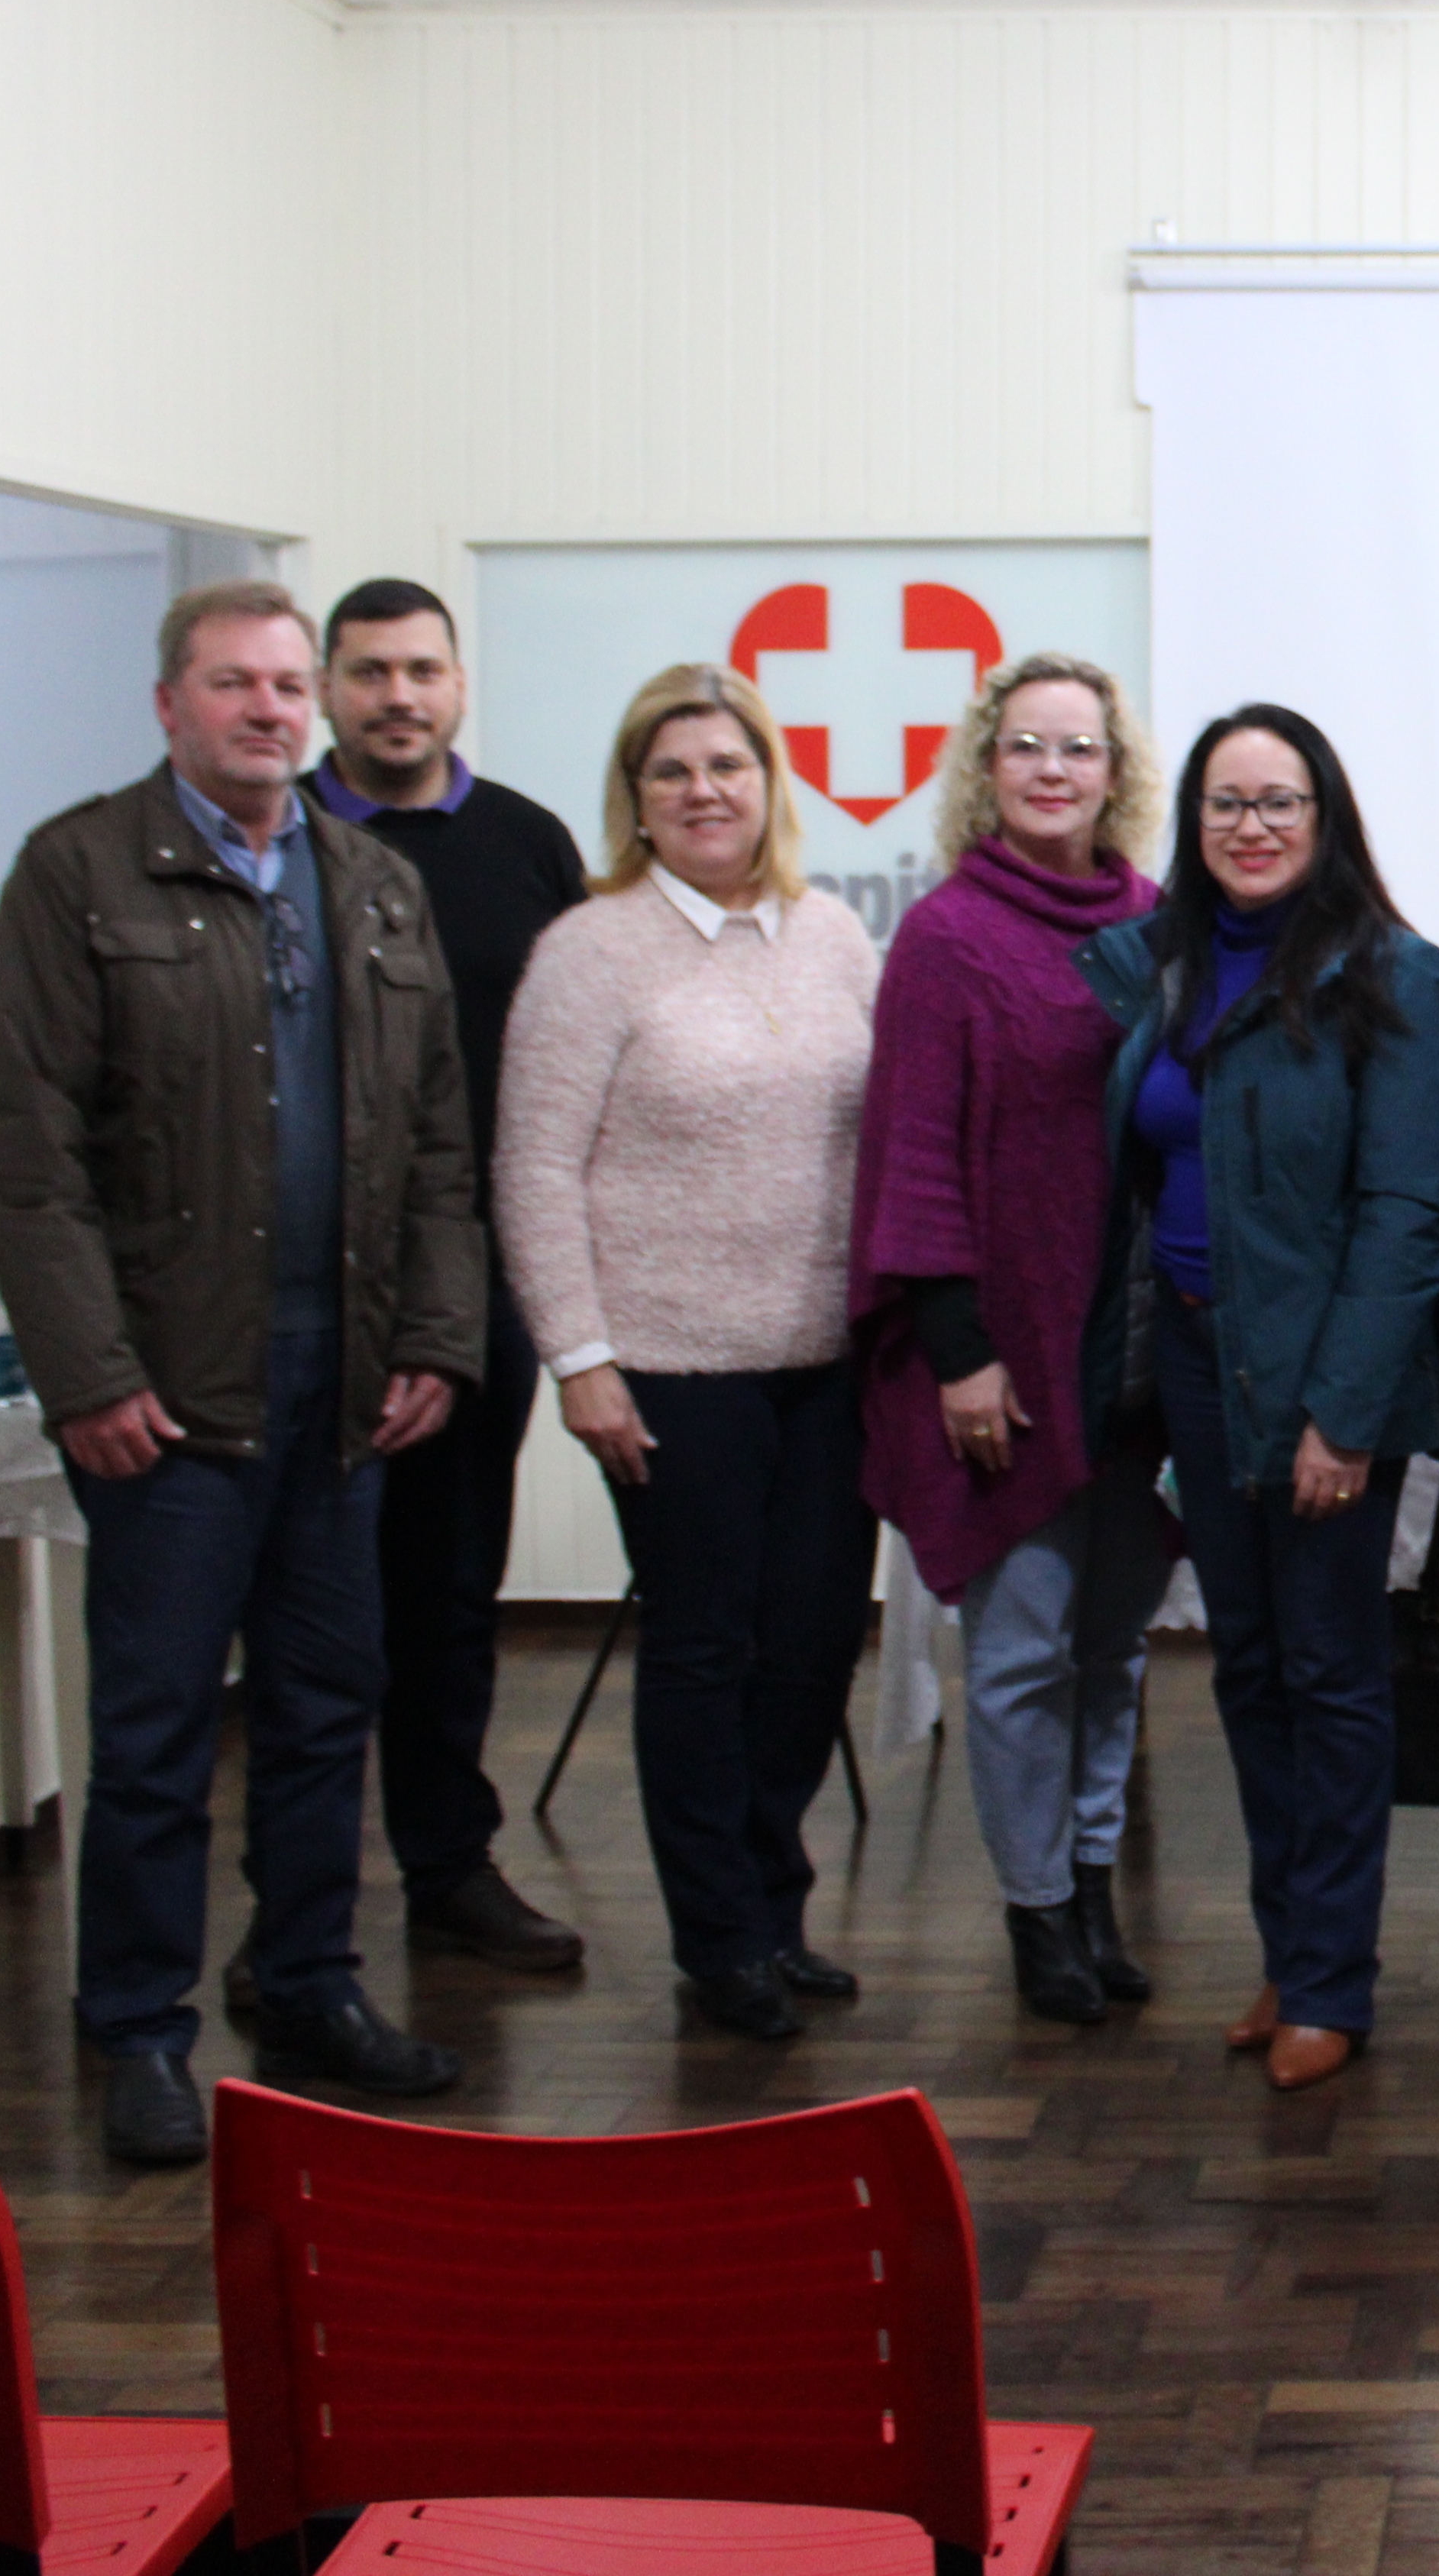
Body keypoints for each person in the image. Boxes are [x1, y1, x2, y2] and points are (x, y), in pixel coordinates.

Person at [0, 578, 482, 2169]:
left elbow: (441, 1148)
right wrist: (87, 1373)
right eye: (236, 685)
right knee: (159, 1727)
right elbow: (25, 1154)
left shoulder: (375, 884)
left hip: (344, 1391)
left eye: (283, 686)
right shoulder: (78, 871)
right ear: (170, 703)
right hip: (168, 1394)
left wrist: (436, 1338)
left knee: (331, 1709)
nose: (270, 710)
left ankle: (309, 1982)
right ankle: (136, 2024)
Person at [493, 664, 883, 2044]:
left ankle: (776, 1906)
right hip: (666, 1367)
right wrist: (578, 1358)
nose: (705, 792)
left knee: (815, 1645)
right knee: (707, 1651)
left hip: (830, 1362)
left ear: (771, 783)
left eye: (728, 766)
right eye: (673, 774)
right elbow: (532, 1167)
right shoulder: (590, 953)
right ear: (636, 803)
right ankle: (719, 1941)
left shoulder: (833, 936)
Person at [1079, 706, 1439, 2095]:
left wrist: (1344, 1417)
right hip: (1194, 1358)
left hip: (1325, 1377)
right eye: (1226, 803)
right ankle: (1289, 1947)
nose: (1252, 827)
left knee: (1330, 1675)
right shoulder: (1168, 970)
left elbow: (1412, 1213)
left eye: (1280, 802)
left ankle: (1333, 1980)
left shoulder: (1396, 978)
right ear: (1192, 822)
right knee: (1245, 1672)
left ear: (1327, 817)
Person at [853, 654, 1169, 2028]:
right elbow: (911, 1155)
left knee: (1115, 1648)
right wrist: (959, 1352)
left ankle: (1095, 1885)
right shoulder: (946, 937)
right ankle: (1037, 1911)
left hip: (1138, 1355)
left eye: (1079, 749)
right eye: (1027, 746)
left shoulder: (1162, 922)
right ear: (988, 769)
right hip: (1007, 1358)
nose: (1054, 770)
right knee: (1025, 1651)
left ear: (1117, 773)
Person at [309, 577, 593, 1984]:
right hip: (302, 1292)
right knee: (307, 1606)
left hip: (478, 1287)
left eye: (422, 670)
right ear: (327, 688)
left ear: (460, 684)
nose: (398, 698)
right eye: (369, 673)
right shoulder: (272, 837)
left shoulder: (527, 844)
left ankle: (445, 1866)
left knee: (447, 1594)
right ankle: (292, 1913)